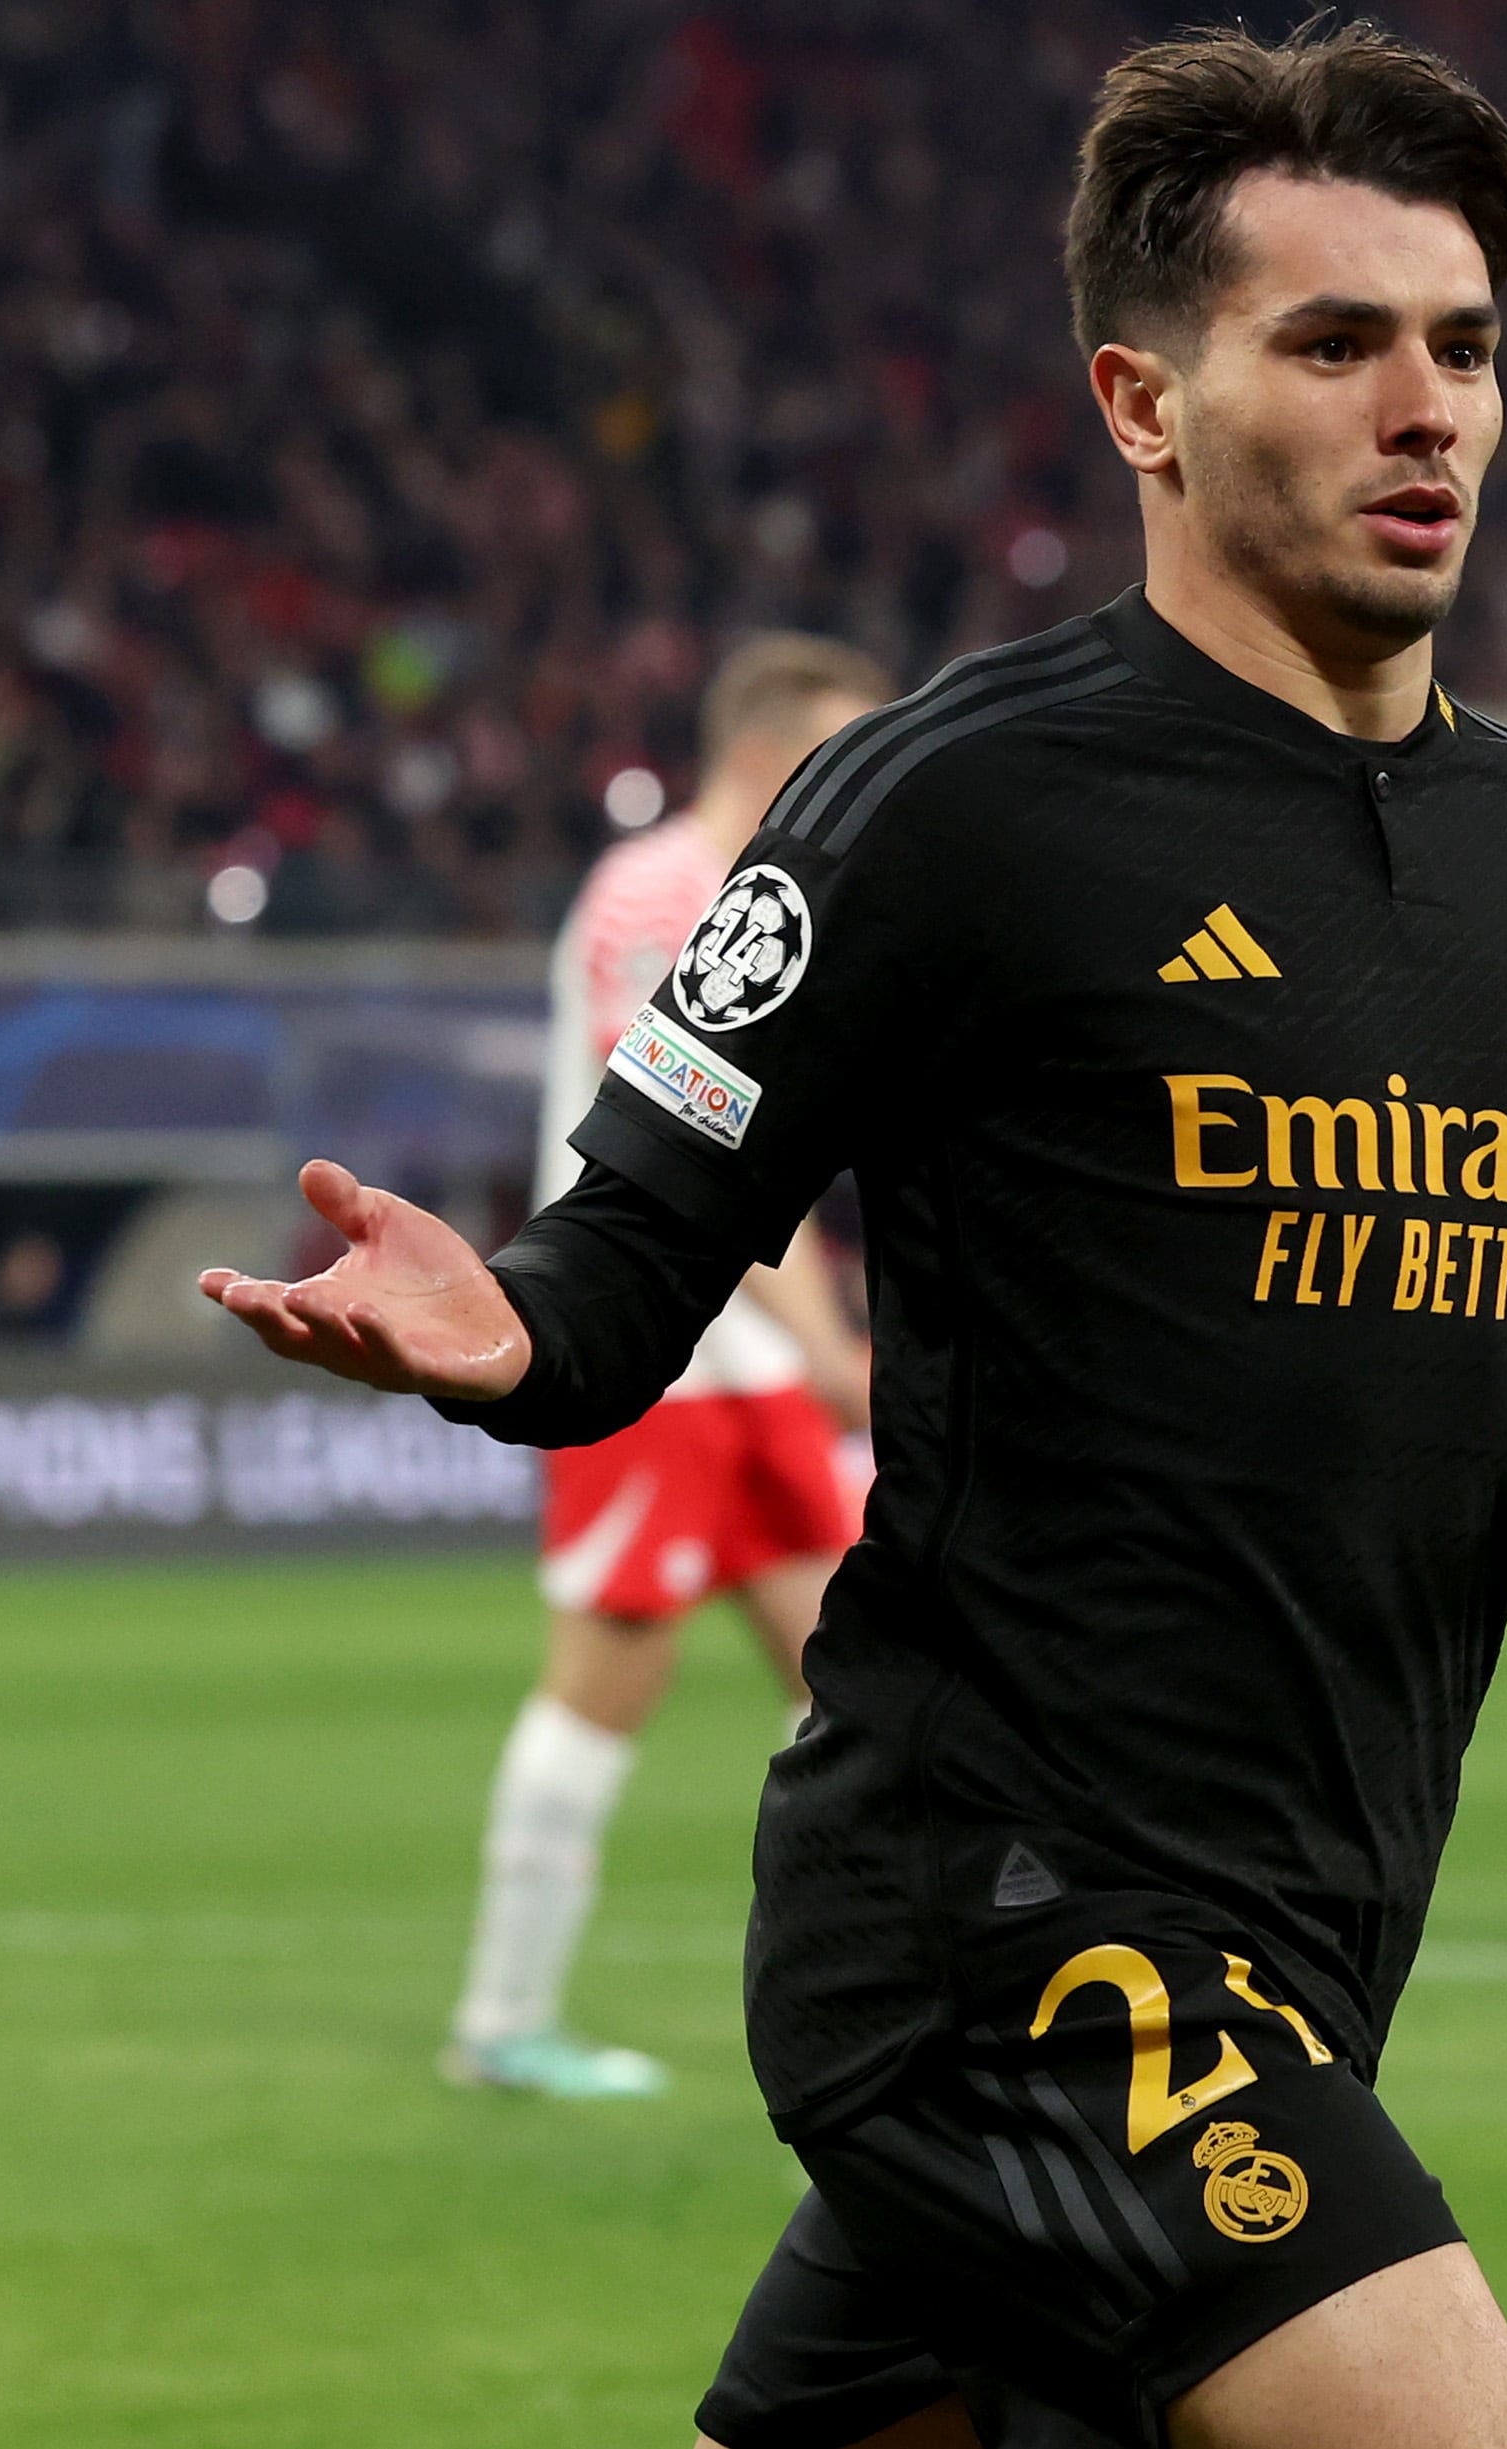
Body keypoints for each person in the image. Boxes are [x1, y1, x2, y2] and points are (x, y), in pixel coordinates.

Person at [198, 20, 1507, 2449]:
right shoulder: (941, 804)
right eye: (1333, 343)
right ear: (1144, 400)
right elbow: (617, 1286)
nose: (1423, 404)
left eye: (1460, 344)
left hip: (1314, 1935)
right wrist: (492, 1327)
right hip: (1006, 1923)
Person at [444, 633, 886, 2102]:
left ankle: (894, 1997)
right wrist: (834, 1357)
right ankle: (501, 2020)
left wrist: (822, 1350)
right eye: (846, 754)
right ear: (771, 757)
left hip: (750, 1365)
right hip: (653, 1360)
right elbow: (695, 1165)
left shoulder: (770, 896)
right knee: (605, 1680)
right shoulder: (655, 895)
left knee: (861, 1676)